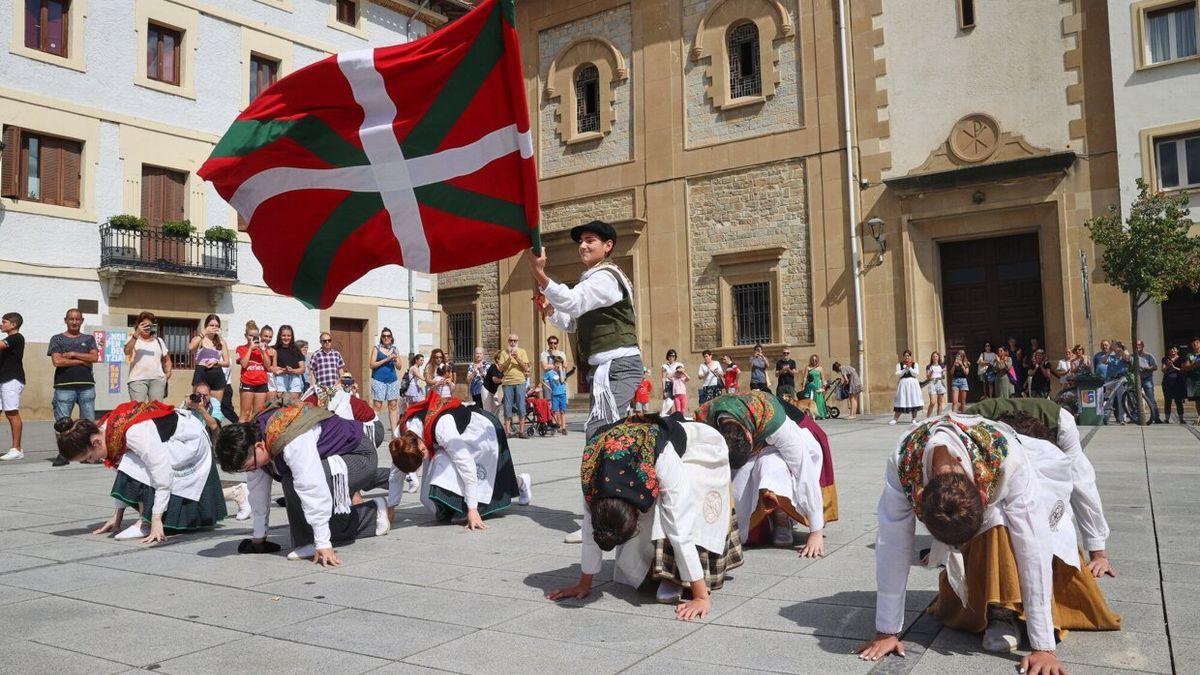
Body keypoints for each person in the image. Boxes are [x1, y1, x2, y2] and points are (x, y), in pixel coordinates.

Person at [854, 411, 1120, 672]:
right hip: (977, 471)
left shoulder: (1008, 458)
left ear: (983, 496)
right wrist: (886, 631)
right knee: (988, 532)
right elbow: (892, 544)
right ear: (920, 499)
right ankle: (992, 606)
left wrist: (1043, 647)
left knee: (1005, 524)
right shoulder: (903, 460)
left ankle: (1008, 611)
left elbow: (1033, 547)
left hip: (1038, 466)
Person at [547, 414, 741, 620]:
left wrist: (701, 597)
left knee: (675, 513)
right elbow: (589, 527)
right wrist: (584, 584)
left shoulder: (661, 457)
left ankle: (680, 578)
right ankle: (660, 572)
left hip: (700, 445)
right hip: (646, 443)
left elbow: (679, 527)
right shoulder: (592, 473)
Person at [215, 400, 391, 565]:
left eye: (249, 466)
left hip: (358, 456)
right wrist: (258, 538)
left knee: (295, 482)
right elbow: (258, 490)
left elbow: (311, 486)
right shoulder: (254, 437)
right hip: (331, 458)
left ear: (259, 447)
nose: (251, 470)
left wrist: (323, 543)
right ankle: (308, 541)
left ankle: (373, 514)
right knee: (290, 480)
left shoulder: (290, 437)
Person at [966, 397, 1115, 578]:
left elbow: (1083, 486)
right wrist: (947, 544)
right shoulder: (967, 433)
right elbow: (951, 486)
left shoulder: (1061, 425)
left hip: (1048, 427)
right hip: (984, 437)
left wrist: (1097, 553)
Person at [530, 220, 643, 443]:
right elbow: (573, 323)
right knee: (603, 435)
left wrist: (540, 274)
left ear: (607, 246)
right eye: (581, 241)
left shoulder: (606, 277)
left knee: (601, 435)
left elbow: (573, 301)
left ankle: (618, 476)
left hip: (618, 366)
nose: (583, 246)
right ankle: (620, 475)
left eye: (590, 241)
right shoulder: (596, 277)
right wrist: (551, 309)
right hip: (606, 369)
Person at [55, 401, 229, 542]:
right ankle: (237, 492)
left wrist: (155, 520)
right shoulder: (105, 431)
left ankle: (143, 522)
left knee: (133, 464)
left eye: (88, 457)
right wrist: (117, 516)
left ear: (96, 443)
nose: (91, 461)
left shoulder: (134, 433)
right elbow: (123, 472)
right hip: (169, 440)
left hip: (189, 442)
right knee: (129, 463)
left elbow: (162, 474)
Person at [696, 390, 836, 554]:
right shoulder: (705, 422)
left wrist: (816, 531)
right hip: (753, 435)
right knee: (739, 482)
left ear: (749, 436)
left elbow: (803, 470)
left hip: (792, 429)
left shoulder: (774, 420)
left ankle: (782, 518)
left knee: (771, 468)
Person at [387, 392, 532, 528]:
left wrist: (472, 510)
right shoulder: (403, 437)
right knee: (427, 496)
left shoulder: (443, 429)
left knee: (466, 474)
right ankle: (457, 506)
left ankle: (520, 483)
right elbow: (396, 473)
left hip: (480, 430)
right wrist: (391, 507)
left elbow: (467, 465)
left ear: (422, 447)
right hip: (454, 435)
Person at [48, 308, 100, 466]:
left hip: (86, 385)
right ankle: (63, 454)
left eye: (78, 319)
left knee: (88, 422)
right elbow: (57, 361)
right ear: (65, 320)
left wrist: (72, 354)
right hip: (64, 386)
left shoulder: (89, 339)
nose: (74, 322)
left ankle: (89, 455)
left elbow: (95, 357)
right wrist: (82, 360)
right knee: (63, 422)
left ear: (82, 321)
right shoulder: (57, 339)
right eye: (71, 319)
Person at [124, 312, 171, 403]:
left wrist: (168, 374)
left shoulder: (159, 341)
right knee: (138, 410)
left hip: (157, 379)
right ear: (138, 325)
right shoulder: (132, 339)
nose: (147, 327)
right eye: (143, 324)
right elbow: (127, 352)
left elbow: (167, 360)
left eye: (149, 325)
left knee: (156, 410)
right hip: (137, 379)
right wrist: (136, 334)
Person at [188, 314, 229, 417]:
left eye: (216, 325)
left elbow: (227, 362)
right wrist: (204, 333)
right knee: (197, 403)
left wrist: (216, 362)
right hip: (201, 372)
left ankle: (214, 429)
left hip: (216, 373)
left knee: (215, 406)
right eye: (211, 325)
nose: (214, 327)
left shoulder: (221, 341)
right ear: (206, 325)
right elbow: (191, 348)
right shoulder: (200, 338)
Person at [0, 312, 26, 461]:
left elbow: (1, 344)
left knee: (11, 413)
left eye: (4, 322)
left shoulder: (16, 338)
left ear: (13, 325)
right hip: (2, 379)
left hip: (12, 379)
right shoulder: (8, 337)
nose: (2, 324)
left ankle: (16, 449)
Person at [493, 335, 531, 438]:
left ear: (517, 341)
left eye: (515, 340)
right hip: (507, 383)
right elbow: (500, 369)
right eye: (510, 340)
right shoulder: (504, 353)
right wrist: (509, 359)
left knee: (521, 406)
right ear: (508, 341)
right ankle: (508, 432)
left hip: (520, 382)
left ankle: (521, 431)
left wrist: (517, 358)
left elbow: (526, 367)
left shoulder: (522, 352)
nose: (512, 342)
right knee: (507, 407)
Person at [235, 321, 271, 422]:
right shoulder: (241, 348)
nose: (253, 338)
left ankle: (254, 436)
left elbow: (268, 367)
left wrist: (263, 351)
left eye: (255, 336)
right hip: (247, 383)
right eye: (250, 335)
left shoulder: (263, 349)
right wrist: (250, 349)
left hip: (261, 383)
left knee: (257, 414)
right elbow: (244, 364)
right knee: (245, 414)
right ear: (246, 336)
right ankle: (241, 436)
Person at [272, 326, 305, 402]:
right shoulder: (274, 349)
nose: (286, 338)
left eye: (288, 336)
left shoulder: (297, 350)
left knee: (293, 406)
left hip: (294, 379)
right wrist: (283, 370)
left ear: (292, 336)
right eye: (283, 335)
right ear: (279, 336)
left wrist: (292, 370)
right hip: (279, 379)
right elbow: (271, 367)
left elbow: (302, 369)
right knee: (281, 404)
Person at [1102, 342, 1130, 425]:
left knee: (1122, 400)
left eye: (1117, 347)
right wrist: (1109, 352)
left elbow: (1128, 359)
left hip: (1121, 380)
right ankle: (1105, 419)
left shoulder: (1124, 356)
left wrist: (1122, 351)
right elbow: (1103, 361)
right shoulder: (1111, 356)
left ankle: (1122, 419)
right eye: (1114, 348)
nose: (1115, 349)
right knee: (1108, 400)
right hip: (1111, 380)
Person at [1133, 340, 1161, 424]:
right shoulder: (1132, 356)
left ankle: (1156, 417)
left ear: (1142, 345)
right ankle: (1136, 417)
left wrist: (1146, 368)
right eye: (1136, 345)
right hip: (1136, 380)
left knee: (1151, 399)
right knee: (1135, 399)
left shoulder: (1148, 356)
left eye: (1139, 345)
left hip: (1147, 379)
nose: (1137, 346)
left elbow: (1155, 367)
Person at [891, 350, 922, 425]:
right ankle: (895, 419)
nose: (907, 357)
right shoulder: (899, 364)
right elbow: (898, 374)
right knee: (901, 399)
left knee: (913, 399)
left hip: (913, 384)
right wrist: (905, 369)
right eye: (905, 355)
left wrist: (910, 368)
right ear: (903, 356)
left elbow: (916, 374)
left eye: (908, 355)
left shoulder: (915, 364)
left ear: (910, 356)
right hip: (903, 384)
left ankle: (914, 418)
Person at [543, 355, 569, 433]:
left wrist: (561, 370)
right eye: (557, 364)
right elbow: (543, 381)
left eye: (560, 364)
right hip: (555, 394)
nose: (559, 365)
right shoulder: (550, 373)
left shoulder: (563, 372)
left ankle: (563, 427)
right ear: (554, 364)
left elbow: (561, 380)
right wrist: (549, 388)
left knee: (563, 411)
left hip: (562, 394)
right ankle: (554, 426)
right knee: (555, 411)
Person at [1162, 346, 1187, 424]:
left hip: (1178, 382)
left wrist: (1174, 367)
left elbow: (1183, 370)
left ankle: (1181, 419)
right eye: (1171, 349)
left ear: (1177, 350)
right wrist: (1168, 365)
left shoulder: (1181, 359)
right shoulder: (1165, 359)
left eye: (1174, 349)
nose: (1172, 350)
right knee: (1167, 401)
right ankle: (1167, 419)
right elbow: (1163, 370)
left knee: (1178, 401)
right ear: (1169, 351)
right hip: (1167, 382)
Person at [803, 355, 827, 419]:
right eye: (813, 360)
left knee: (819, 400)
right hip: (810, 385)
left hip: (818, 385)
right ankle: (812, 415)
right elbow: (805, 378)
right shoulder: (808, 368)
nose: (814, 361)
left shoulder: (820, 368)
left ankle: (820, 414)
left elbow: (823, 379)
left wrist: (823, 386)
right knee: (811, 400)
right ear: (811, 360)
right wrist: (803, 386)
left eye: (816, 360)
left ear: (817, 360)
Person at [660, 349, 682, 415]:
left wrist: (671, 375)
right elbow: (663, 378)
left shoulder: (679, 364)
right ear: (667, 357)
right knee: (668, 403)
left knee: (677, 403)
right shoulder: (664, 366)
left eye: (673, 356)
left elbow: (681, 373)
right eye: (670, 356)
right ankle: (666, 418)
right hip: (668, 385)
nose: (671, 357)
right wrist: (664, 390)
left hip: (677, 385)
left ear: (675, 357)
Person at [1184, 337, 1200, 426]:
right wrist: (1194, 365)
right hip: (1194, 380)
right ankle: (1199, 416)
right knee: (1197, 400)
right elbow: (1186, 367)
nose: (1195, 344)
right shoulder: (1189, 355)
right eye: (1193, 343)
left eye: (1197, 343)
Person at [926, 351, 946, 418]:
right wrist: (931, 373)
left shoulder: (942, 366)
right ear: (931, 358)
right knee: (932, 402)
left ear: (938, 357)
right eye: (933, 356)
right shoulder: (929, 366)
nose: (935, 358)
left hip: (940, 382)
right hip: (932, 383)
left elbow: (943, 377)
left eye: (936, 356)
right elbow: (928, 377)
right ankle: (927, 418)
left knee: (940, 402)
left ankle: (938, 418)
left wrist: (943, 373)